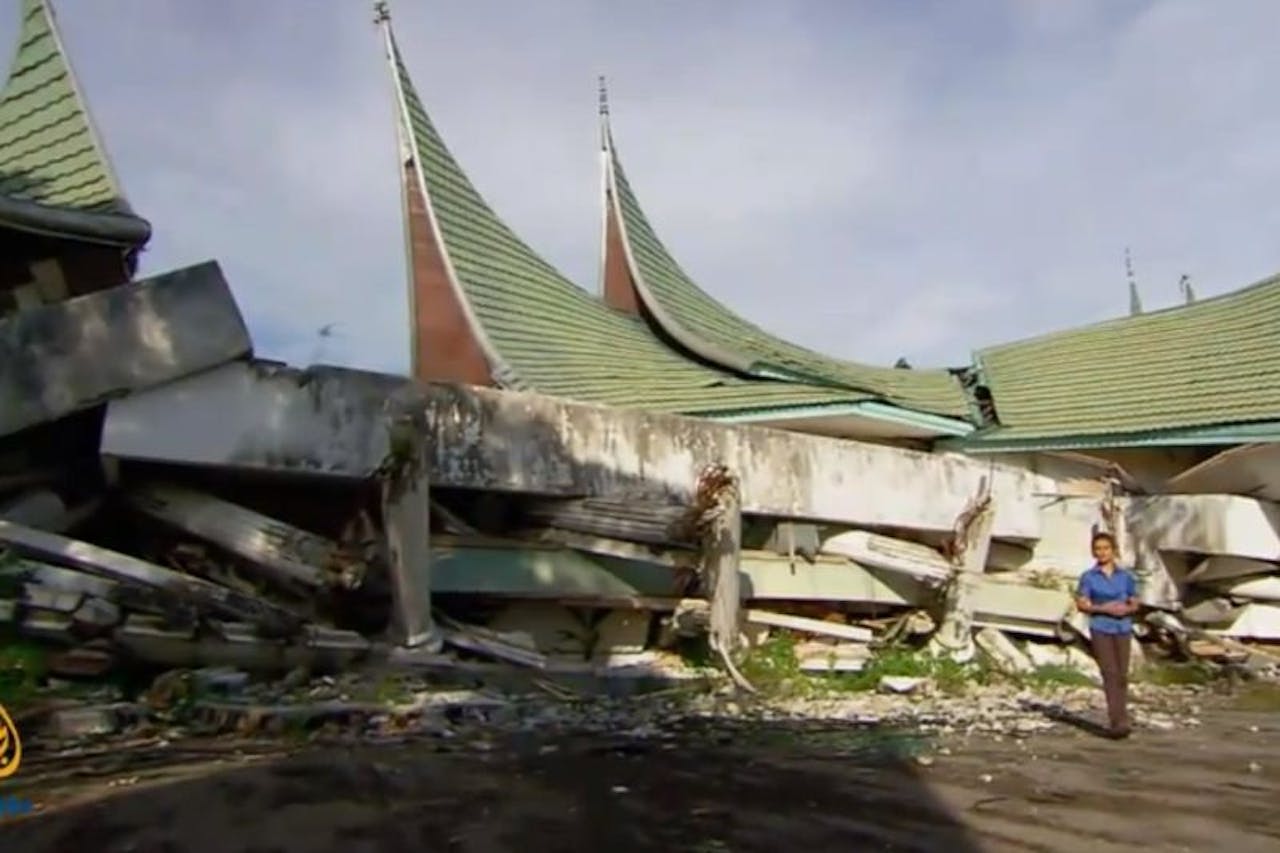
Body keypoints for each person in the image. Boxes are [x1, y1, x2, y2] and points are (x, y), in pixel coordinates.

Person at [1075, 531, 1139, 738]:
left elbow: (1135, 601)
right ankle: (1117, 721)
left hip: (1123, 627)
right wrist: (1104, 609)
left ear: (1113, 550)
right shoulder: (1089, 577)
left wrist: (1127, 609)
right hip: (1101, 626)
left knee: (1122, 673)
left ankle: (1123, 715)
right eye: (1097, 549)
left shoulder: (1125, 576)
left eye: (1105, 548)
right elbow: (1082, 603)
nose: (1101, 552)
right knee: (1109, 672)